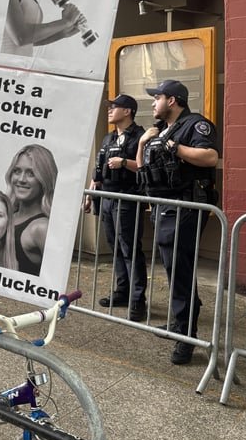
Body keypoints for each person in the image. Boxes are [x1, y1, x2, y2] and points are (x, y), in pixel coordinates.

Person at [136, 79, 219, 365]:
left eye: (156, 98)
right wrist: (146, 141)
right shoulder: (160, 130)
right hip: (164, 206)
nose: (152, 103)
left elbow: (210, 157)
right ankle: (179, 323)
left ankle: (186, 336)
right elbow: (144, 167)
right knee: (174, 268)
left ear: (172, 100)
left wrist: (176, 148)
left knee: (180, 268)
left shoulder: (195, 125)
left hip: (185, 207)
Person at [84, 94, 147, 321]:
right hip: (108, 198)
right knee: (116, 247)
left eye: (114, 107)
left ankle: (138, 300)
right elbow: (99, 168)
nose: (109, 110)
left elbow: (145, 167)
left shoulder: (140, 137)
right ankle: (122, 291)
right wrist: (91, 193)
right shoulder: (108, 138)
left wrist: (124, 163)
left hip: (128, 198)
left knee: (129, 248)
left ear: (128, 111)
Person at [5, 144, 58, 276]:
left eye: (31, 173)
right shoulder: (7, 216)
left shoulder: (41, 228)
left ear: (44, 179)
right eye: (17, 171)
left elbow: (53, 282)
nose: (21, 179)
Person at [1, 0, 85, 55]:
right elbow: (20, 37)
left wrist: (62, 32)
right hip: (6, 62)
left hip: (22, 64)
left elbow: (30, 41)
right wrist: (66, 22)